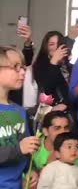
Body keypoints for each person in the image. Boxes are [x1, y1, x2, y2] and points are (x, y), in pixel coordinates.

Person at [0, 46, 39, 189]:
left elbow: (25, 147)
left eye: (23, 67)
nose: (23, 72)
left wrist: (30, 168)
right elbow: (20, 148)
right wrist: (19, 149)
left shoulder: (19, 111)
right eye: (15, 67)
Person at [32, 111, 78, 177]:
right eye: (57, 128)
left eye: (66, 128)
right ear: (45, 131)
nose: (63, 132)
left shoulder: (72, 147)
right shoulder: (34, 146)